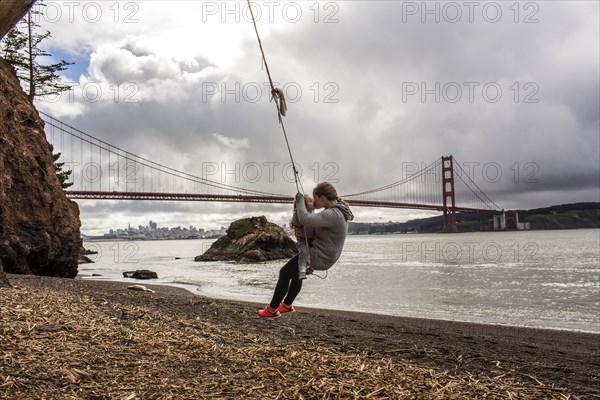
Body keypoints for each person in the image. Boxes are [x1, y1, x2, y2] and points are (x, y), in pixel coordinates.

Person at [258, 182, 354, 318]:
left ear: (322, 198)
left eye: (315, 199)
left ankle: (272, 309)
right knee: (297, 273)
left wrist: (299, 199)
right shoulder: (338, 210)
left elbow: (304, 219)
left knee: (284, 273)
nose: (314, 202)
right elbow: (320, 231)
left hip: (320, 257)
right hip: (326, 255)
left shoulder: (332, 213)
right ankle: (287, 305)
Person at [290, 194, 316, 280]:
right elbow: (295, 221)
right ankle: (302, 270)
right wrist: (298, 208)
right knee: (304, 252)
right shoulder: (298, 215)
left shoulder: (313, 214)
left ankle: (311, 268)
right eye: (310, 201)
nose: (314, 202)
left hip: (312, 239)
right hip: (303, 240)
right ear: (303, 205)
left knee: (314, 252)